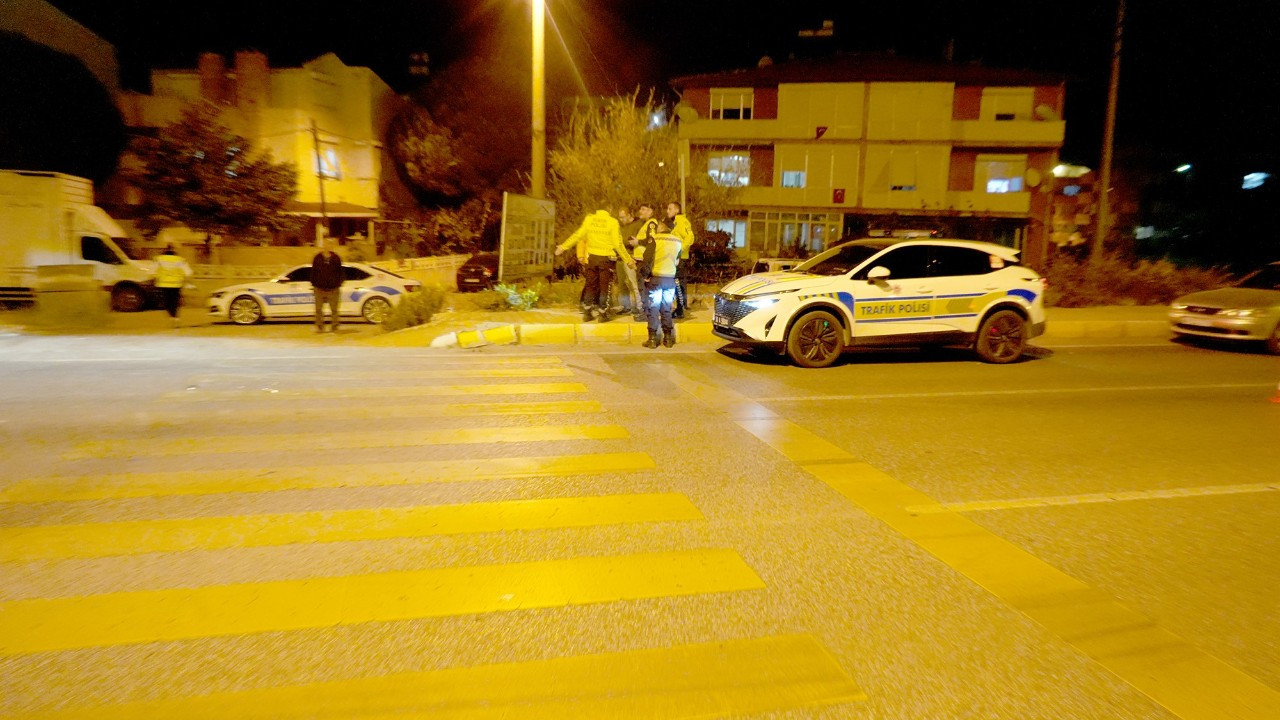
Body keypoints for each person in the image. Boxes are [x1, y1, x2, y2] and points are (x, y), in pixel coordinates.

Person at [556, 207, 634, 322]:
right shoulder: (612, 222)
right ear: (610, 209)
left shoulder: (589, 219)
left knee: (590, 285)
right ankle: (602, 314)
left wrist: (563, 247)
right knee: (604, 287)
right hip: (606, 259)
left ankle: (587, 312)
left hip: (592, 258)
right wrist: (628, 259)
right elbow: (618, 244)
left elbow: (578, 235)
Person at [641, 229, 682, 348]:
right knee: (666, 309)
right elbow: (678, 262)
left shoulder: (655, 239)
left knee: (653, 308)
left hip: (656, 279)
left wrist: (645, 275)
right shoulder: (677, 241)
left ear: (662, 227)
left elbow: (647, 259)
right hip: (670, 279)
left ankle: (652, 339)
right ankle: (668, 339)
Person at [614, 207, 645, 320]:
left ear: (629, 215)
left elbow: (634, 241)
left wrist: (622, 243)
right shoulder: (620, 226)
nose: (620, 219)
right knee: (622, 284)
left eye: (622, 217)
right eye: (619, 217)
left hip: (631, 258)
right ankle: (625, 306)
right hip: (620, 258)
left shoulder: (638, 224)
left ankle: (639, 307)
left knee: (634, 284)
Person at [665, 202, 694, 318]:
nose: (667, 211)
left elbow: (690, 237)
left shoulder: (682, 221)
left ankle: (680, 310)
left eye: (670, 208)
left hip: (679, 258)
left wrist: (680, 250)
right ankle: (680, 308)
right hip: (676, 258)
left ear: (677, 210)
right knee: (677, 284)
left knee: (678, 284)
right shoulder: (676, 222)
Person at [311, 238, 344, 332]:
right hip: (319, 289)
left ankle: (335, 326)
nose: (327, 246)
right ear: (323, 246)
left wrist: (338, 283)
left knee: (334, 309)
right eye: (325, 244)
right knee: (318, 309)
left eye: (329, 245)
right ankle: (320, 326)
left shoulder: (336, 258)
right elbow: (313, 272)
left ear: (331, 246)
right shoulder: (317, 258)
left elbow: (340, 272)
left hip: (333, 289)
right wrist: (314, 283)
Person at [154, 245, 191, 328]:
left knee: (166, 302)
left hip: (163, 284)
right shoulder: (180, 260)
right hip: (176, 284)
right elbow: (188, 272)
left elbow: (152, 271)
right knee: (175, 301)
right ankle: (176, 318)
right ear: (174, 253)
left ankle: (171, 317)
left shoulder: (159, 259)